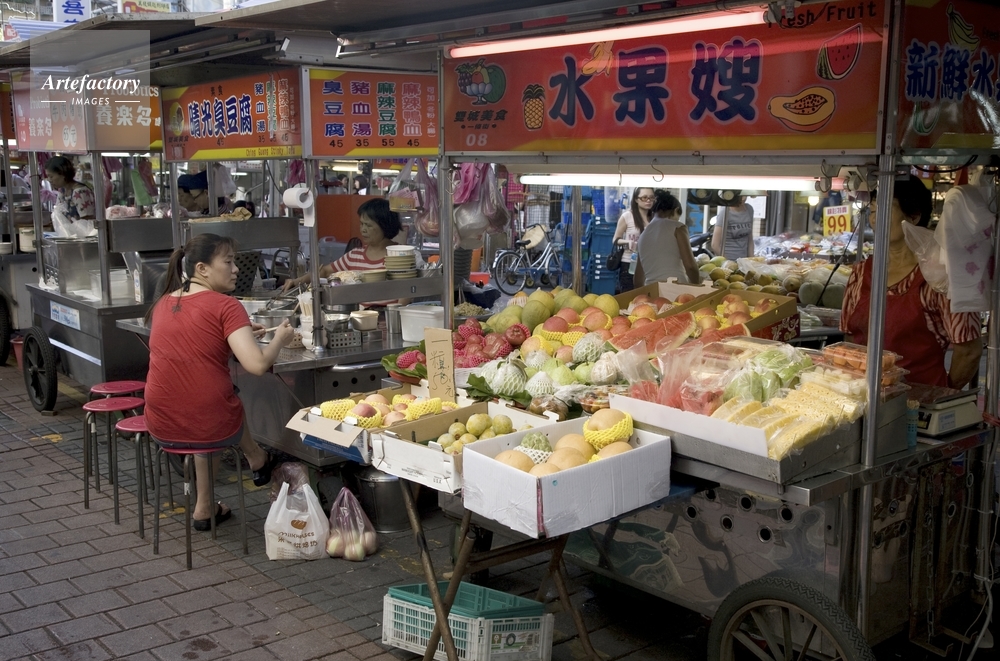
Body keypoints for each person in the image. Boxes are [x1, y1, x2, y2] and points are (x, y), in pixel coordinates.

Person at [144, 233, 293, 529]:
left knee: (213, 397)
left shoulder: (164, 302)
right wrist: (280, 337)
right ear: (202, 268)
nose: (236, 269)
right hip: (204, 421)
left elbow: (194, 340)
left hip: (159, 419)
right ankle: (255, 458)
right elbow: (257, 365)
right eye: (228, 262)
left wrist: (239, 332)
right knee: (216, 405)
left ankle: (207, 504)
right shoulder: (225, 305)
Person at [840, 175, 982, 388]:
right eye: (873, 211)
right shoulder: (860, 272)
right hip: (862, 395)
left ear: (914, 216)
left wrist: (942, 396)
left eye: (885, 209)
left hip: (919, 398)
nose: (875, 219)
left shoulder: (941, 275)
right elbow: (850, 339)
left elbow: (969, 351)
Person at [284, 198, 400, 289]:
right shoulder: (355, 255)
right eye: (361, 224)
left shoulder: (400, 256)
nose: (363, 230)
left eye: (368, 225)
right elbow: (325, 271)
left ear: (385, 226)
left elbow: (404, 291)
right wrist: (297, 281)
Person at [634, 190, 701, 286]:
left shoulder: (643, 236)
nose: (677, 220)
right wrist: (697, 286)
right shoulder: (678, 227)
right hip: (676, 289)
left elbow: (637, 280)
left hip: (651, 290)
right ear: (676, 210)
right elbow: (690, 266)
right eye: (678, 217)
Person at [613, 187, 654, 292]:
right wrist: (628, 242)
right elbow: (615, 240)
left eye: (651, 198)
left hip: (649, 265)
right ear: (636, 199)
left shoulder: (655, 218)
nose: (648, 200)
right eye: (644, 197)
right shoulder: (627, 216)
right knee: (630, 295)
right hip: (630, 264)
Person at [45, 156, 96, 221]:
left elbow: (87, 220)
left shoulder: (80, 192)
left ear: (63, 174)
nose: (49, 180)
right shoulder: (62, 191)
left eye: (51, 176)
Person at [711, 195, 754, 259]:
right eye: (741, 196)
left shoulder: (749, 209)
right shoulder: (725, 211)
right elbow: (715, 245)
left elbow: (749, 239)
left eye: (745, 195)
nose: (743, 199)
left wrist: (751, 259)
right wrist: (727, 262)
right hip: (728, 259)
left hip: (743, 261)